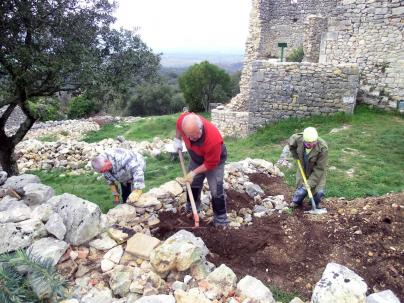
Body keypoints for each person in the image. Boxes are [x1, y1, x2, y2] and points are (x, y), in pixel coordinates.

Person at [173, 112, 228, 227]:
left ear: (201, 127)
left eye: (196, 134)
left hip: (214, 162)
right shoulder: (183, 121)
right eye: (190, 136)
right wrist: (177, 139)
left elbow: (210, 163)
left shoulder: (213, 139)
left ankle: (221, 220)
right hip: (196, 157)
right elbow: (178, 126)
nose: (193, 138)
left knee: (216, 189)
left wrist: (193, 172)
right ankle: (192, 210)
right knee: (193, 185)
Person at [288, 127, 328, 209]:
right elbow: (291, 145)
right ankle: (296, 202)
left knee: (319, 192)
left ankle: (314, 204)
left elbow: (319, 169)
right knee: (301, 190)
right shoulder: (297, 138)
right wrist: (296, 156)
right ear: (304, 140)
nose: (311, 145)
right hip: (303, 167)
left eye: (313, 143)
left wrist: (308, 184)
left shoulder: (323, 148)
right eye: (308, 144)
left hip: (317, 171)